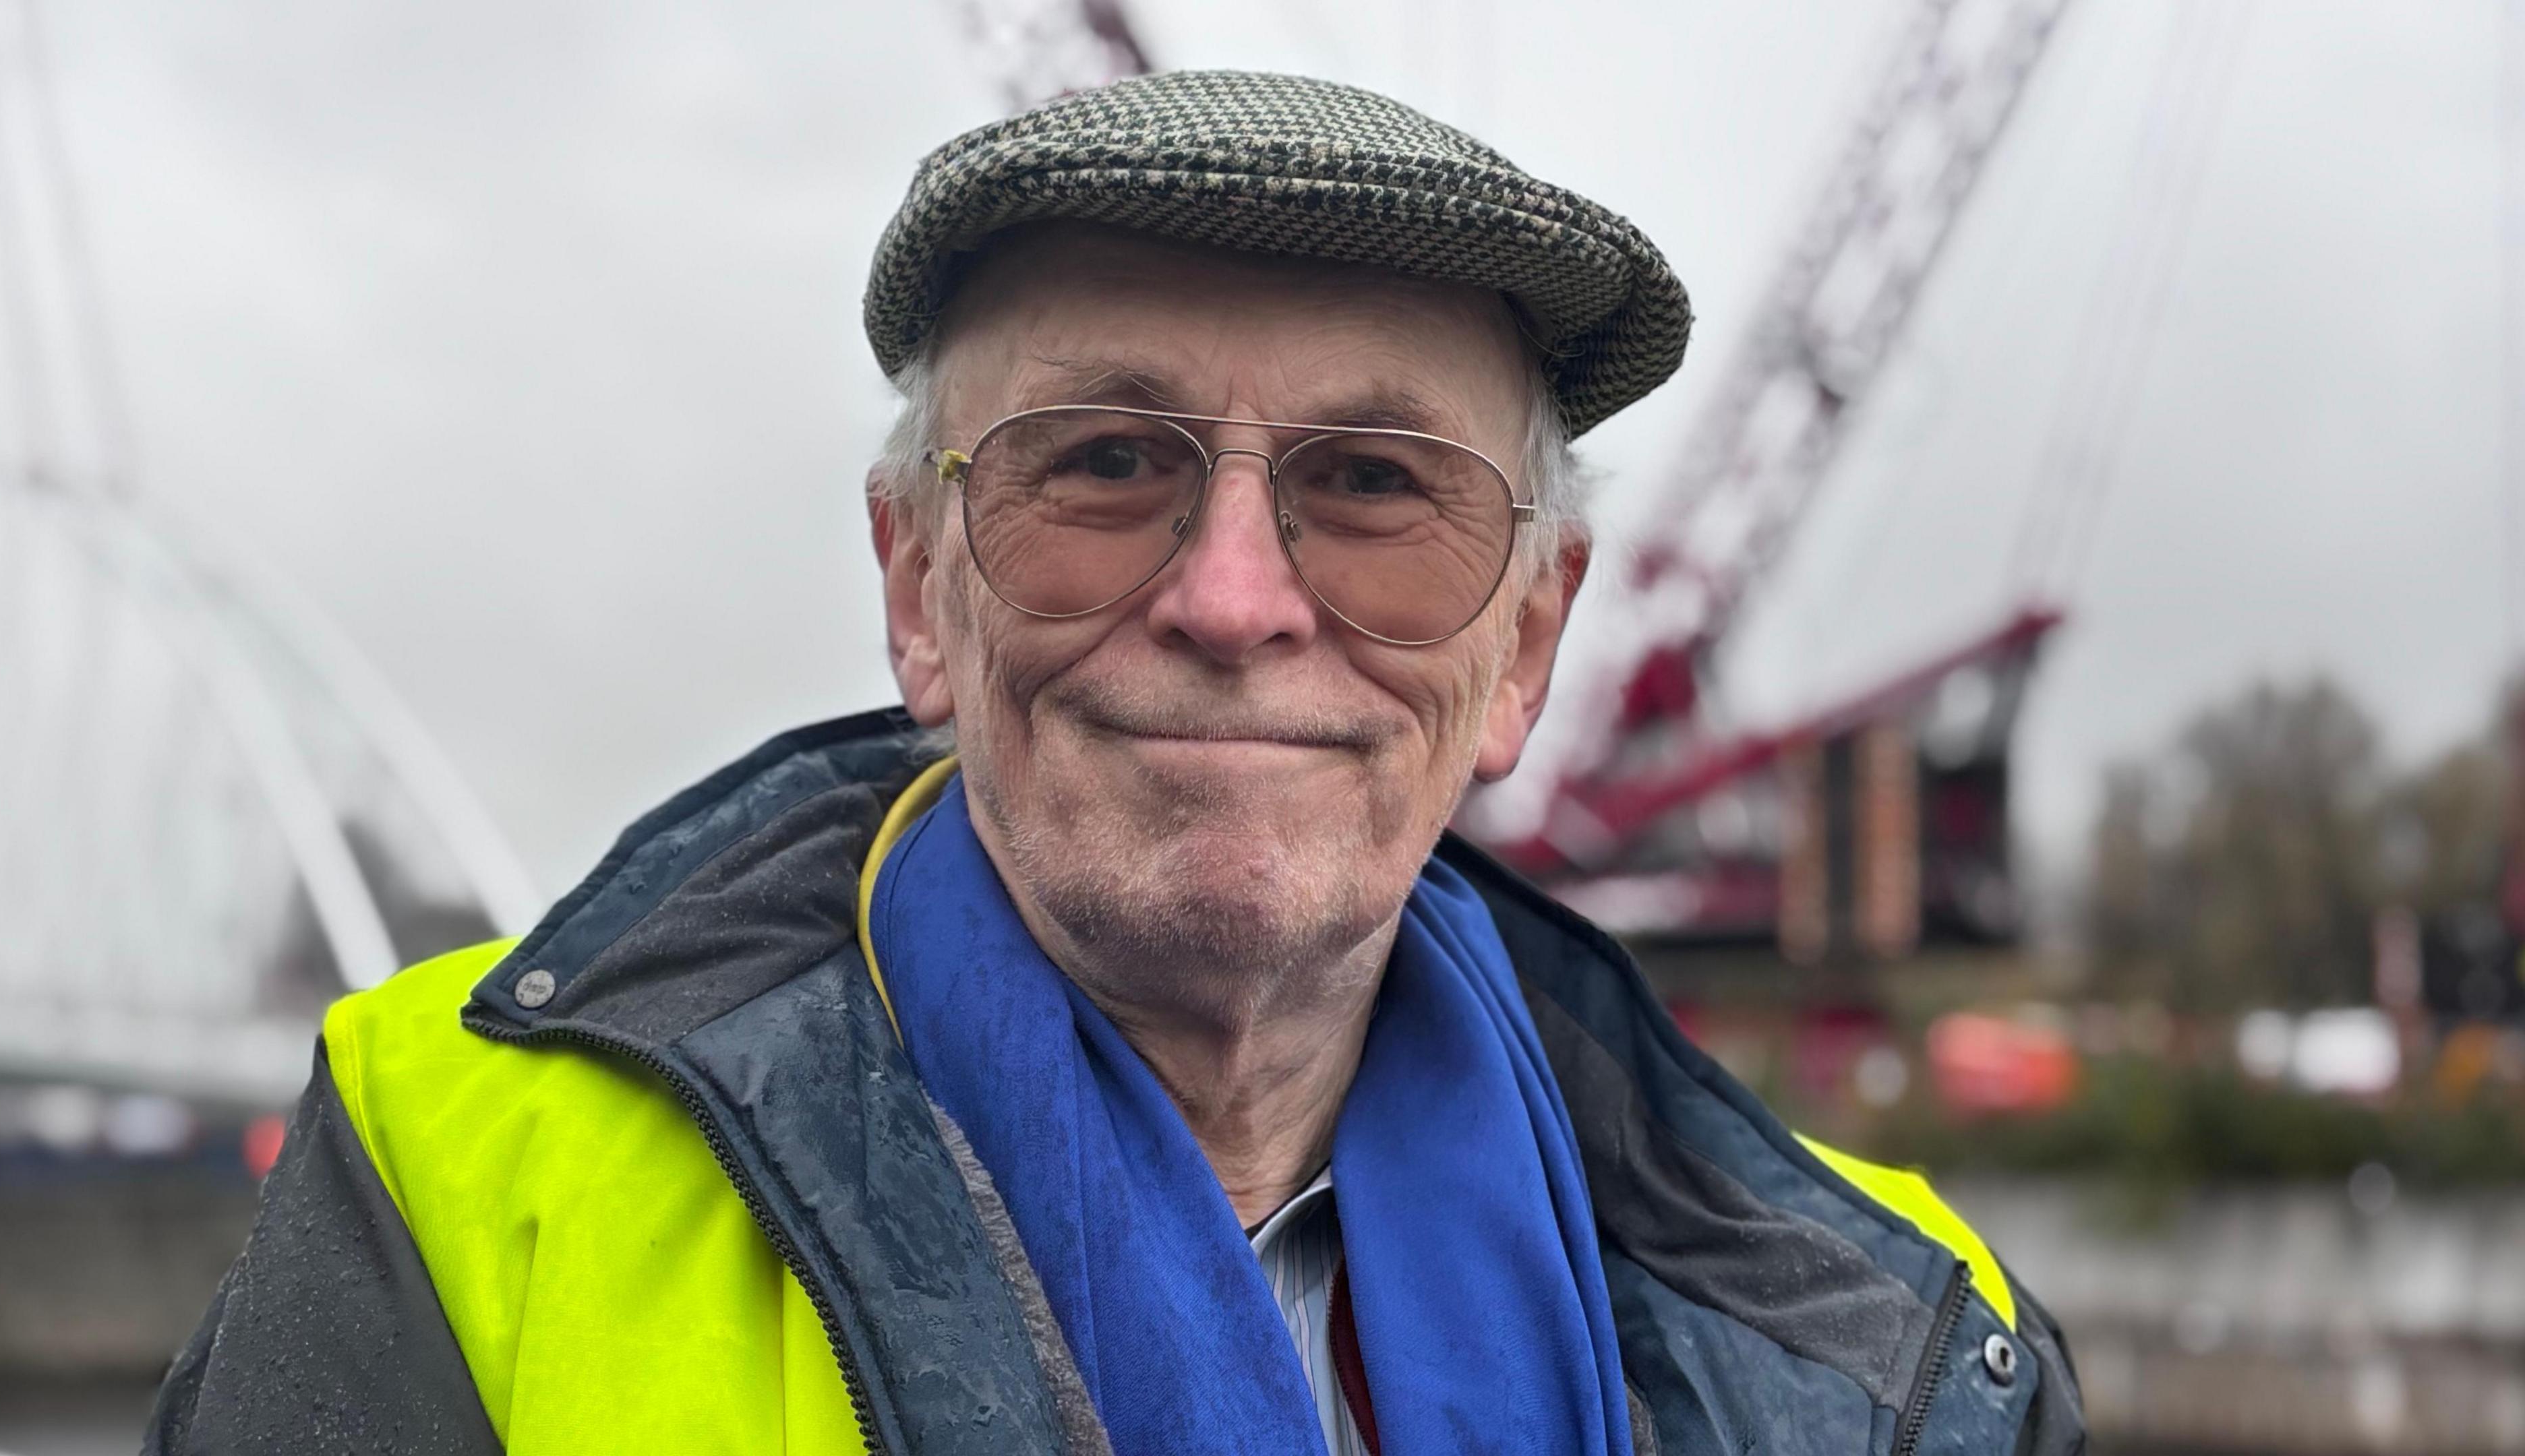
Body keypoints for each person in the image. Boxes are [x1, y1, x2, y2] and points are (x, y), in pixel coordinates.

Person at [149, 70, 2084, 1455]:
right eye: (1104, 465)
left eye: (1376, 488)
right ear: (919, 586)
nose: (1236, 599)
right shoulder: (464, 1188)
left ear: (1529, 645)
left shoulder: (1893, 1346)